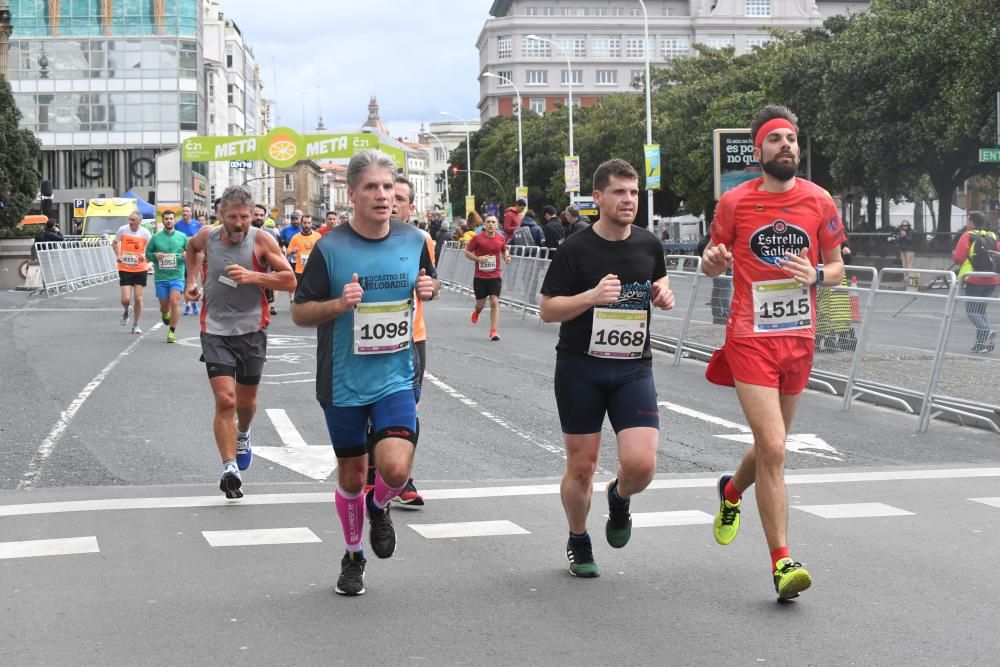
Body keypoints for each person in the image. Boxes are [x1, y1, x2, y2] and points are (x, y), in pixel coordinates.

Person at [701, 105, 845, 600]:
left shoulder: (820, 201)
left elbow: (837, 269)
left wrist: (817, 277)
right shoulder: (735, 203)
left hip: (799, 339)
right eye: (775, 139)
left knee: (772, 444)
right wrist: (713, 261)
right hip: (750, 337)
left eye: (792, 138)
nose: (786, 145)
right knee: (777, 448)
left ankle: (730, 491)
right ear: (758, 150)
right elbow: (711, 262)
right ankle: (783, 563)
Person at [291, 150, 437, 596]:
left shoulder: (415, 240)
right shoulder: (329, 248)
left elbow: (427, 283)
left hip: (396, 373)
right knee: (352, 476)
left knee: (393, 471)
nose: (381, 195)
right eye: (371, 187)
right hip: (343, 380)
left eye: (388, 187)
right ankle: (353, 555)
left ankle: (381, 505)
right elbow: (299, 313)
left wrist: (428, 288)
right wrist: (338, 304)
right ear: (351, 194)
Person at [539, 158, 674, 578]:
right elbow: (547, 309)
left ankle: (619, 497)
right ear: (597, 198)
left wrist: (663, 294)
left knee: (641, 465)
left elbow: (660, 280)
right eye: (619, 192)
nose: (628, 200)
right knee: (581, 466)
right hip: (581, 366)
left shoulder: (649, 244)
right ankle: (578, 538)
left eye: (633, 192)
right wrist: (591, 296)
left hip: (633, 367)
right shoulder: (575, 249)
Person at [184, 185, 296, 499]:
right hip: (216, 329)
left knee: (245, 404)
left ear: (251, 216)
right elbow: (192, 251)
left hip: (252, 329)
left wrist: (255, 277)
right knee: (226, 401)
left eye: (244, 218)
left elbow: (290, 279)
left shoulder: (262, 240)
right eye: (232, 217)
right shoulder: (207, 236)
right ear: (221, 216)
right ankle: (229, 466)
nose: (239, 224)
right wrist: (192, 281)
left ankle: (243, 434)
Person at [952, 211, 999, 353]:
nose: (967, 222)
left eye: (968, 219)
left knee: (972, 311)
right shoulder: (993, 235)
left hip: (973, 277)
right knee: (980, 311)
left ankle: (985, 330)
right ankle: (980, 345)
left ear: (972, 221)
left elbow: (958, 258)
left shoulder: (968, 235)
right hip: (991, 278)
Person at [465, 214, 511, 342]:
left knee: (494, 301)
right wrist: (478, 259)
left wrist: (506, 256)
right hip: (480, 276)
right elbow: (467, 252)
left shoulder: (501, 238)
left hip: (495, 275)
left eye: (493, 222)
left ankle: (493, 331)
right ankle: (477, 312)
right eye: (488, 222)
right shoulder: (477, 238)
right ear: (484, 224)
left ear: (497, 225)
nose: (491, 224)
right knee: (480, 304)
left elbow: (504, 250)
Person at [145, 209, 187, 343]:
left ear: (175, 220)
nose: (169, 221)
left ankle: (172, 332)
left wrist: (186, 256)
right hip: (161, 277)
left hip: (177, 275)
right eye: (166, 219)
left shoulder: (182, 236)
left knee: (175, 301)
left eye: (171, 218)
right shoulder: (156, 237)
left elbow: (189, 253)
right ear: (162, 221)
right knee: (164, 306)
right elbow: (147, 254)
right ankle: (165, 313)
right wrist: (154, 256)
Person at [113, 211, 152, 334]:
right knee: (125, 299)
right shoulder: (123, 230)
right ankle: (126, 310)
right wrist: (118, 255)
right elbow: (114, 243)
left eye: (133, 220)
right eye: (129, 219)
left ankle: (136, 324)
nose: (130, 222)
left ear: (139, 221)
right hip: (125, 267)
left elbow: (151, 248)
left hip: (140, 268)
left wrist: (144, 256)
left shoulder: (145, 233)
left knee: (138, 298)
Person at [252, 204, 281, 315]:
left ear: (265, 217)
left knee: (265, 307)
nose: (259, 217)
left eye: (261, 215)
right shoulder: (244, 232)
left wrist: (275, 268)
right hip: (249, 273)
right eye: (256, 215)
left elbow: (276, 253)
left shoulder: (271, 233)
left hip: (266, 274)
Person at [175, 205, 202, 316]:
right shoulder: (177, 225)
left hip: (195, 256)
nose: (185, 213)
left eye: (187, 211)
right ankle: (187, 305)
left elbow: (201, 239)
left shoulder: (197, 224)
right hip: (184, 256)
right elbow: (176, 240)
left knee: (194, 279)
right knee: (187, 280)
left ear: (191, 213)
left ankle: (194, 302)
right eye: (183, 211)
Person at [286, 214, 318, 288]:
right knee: (300, 296)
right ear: (301, 223)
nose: (307, 225)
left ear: (311, 224)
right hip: (300, 271)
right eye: (305, 223)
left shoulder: (318, 236)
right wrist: (292, 252)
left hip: (314, 271)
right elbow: (287, 254)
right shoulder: (295, 238)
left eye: (309, 223)